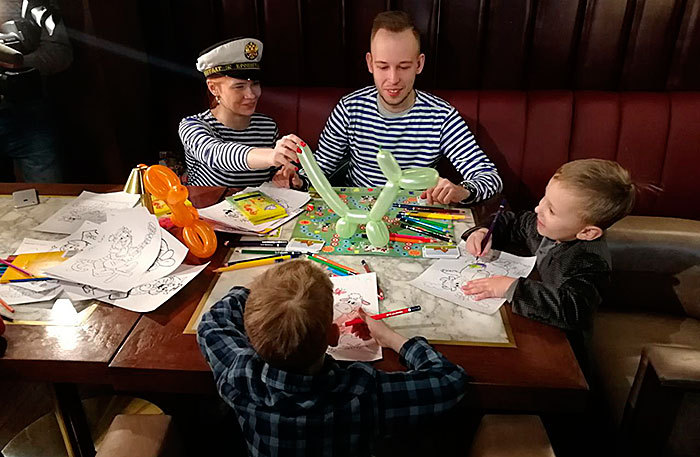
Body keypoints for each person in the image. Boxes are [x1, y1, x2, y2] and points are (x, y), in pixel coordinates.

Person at [197, 259, 468, 457]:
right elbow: (450, 380)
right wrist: (391, 338)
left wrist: (267, 296)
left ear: (251, 330)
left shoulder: (239, 376)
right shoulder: (363, 393)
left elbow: (213, 321)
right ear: (334, 335)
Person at [277, 11, 502, 205]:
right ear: (370, 64)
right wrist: (297, 179)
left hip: (417, 212)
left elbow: (490, 177)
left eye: (403, 67)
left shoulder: (441, 116)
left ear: (419, 64)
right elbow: (320, 168)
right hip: (359, 210)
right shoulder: (349, 108)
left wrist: (462, 191)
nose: (393, 79)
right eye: (383, 67)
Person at [460, 159, 636, 369]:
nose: (538, 208)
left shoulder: (589, 262)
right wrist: (484, 232)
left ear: (587, 232)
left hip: (564, 354)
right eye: (544, 198)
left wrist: (512, 287)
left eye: (551, 210)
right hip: (534, 325)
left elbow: (574, 309)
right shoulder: (551, 228)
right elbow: (515, 221)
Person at [179, 37, 305, 187]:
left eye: (255, 84)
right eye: (239, 86)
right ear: (213, 88)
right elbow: (216, 154)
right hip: (207, 202)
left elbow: (271, 176)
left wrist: (286, 176)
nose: (251, 95)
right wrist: (271, 155)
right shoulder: (192, 125)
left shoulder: (268, 126)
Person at [0, 0, 72, 182]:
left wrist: (17, 61)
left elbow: (60, 53)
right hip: (29, 118)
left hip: (28, 115)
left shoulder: (34, 4)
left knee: (50, 193)